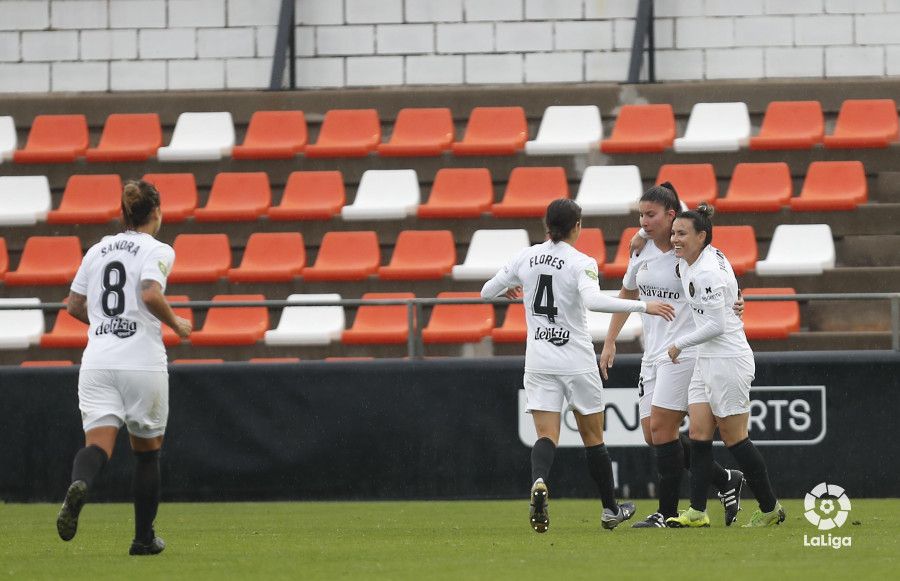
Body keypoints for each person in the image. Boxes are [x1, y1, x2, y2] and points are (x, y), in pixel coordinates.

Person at [481, 199, 675, 533]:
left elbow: (486, 292)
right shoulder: (580, 261)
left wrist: (509, 287)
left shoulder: (525, 257)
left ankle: (540, 481)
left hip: (539, 360)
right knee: (593, 437)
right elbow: (592, 301)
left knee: (546, 435)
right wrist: (644, 306)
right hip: (575, 359)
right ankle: (610, 510)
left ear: (546, 226)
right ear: (577, 227)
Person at [56, 180, 192, 555]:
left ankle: (80, 483)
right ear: (157, 213)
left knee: (98, 446)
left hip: (98, 359)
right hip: (141, 360)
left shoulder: (97, 250)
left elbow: (73, 305)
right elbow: (150, 292)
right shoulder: (158, 249)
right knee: (147, 452)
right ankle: (143, 539)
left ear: (124, 214)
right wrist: (176, 323)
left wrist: (104, 324)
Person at [600, 184, 745, 528]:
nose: (644, 221)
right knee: (652, 433)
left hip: (684, 352)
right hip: (652, 352)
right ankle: (725, 479)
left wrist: (737, 301)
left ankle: (665, 513)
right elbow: (627, 292)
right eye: (641, 215)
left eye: (650, 215)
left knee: (664, 430)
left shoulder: (690, 251)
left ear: (670, 215)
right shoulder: (641, 250)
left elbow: (720, 282)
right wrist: (610, 340)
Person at [664, 203, 785, 528]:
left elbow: (717, 324)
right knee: (700, 434)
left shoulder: (706, 271)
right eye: (674, 233)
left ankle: (771, 507)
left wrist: (680, 343)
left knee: (734, 438)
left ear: (701, 236)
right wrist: (736, 296)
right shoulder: (703, 257)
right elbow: (728, 293)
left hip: (728, 359)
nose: (675, 239)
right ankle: (698, 512)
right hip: (707, 359)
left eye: (682, 234)